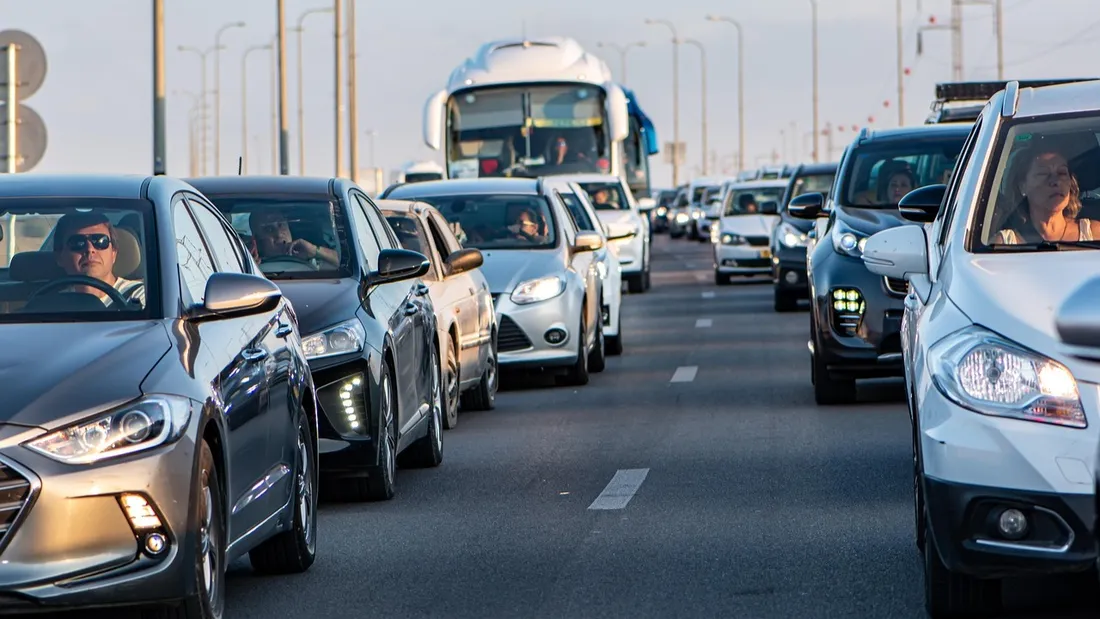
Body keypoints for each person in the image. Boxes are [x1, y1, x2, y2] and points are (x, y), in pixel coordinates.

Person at [993, 147, 1100, 244]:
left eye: (1062, 173)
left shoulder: (1095, 233)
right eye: (1043, 174)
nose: (1055, 181)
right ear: (1023, 186)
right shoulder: (1003, 243)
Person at [52, 211, 145, 307]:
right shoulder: (53, 304)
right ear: (59, 257)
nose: (90, 249)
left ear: (114, 252)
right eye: (77, 243)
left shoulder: (142, 297)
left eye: (100, 241)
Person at [248, 210, 339, 267]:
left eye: (281, 225)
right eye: (269, 229)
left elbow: (348, 266)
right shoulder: (249, 267)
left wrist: (315, 251)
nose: (279, 234)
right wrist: (251, 267)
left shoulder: (311, 257)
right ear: (256, 240)